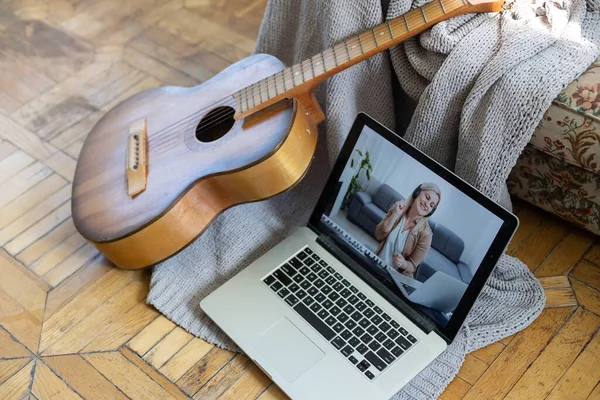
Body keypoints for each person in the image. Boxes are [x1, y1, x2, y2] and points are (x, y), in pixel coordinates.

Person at [375, 183, 441, 279]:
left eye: (431, 205)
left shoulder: (426, 235)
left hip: (395, 279)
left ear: (431, 211)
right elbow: (378, 234)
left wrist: (404, 264)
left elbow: (413, 266)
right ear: (417, 192)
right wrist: (395, 215)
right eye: (427, 197)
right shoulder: (398, 208)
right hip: (377, 264)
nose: (427, 204)